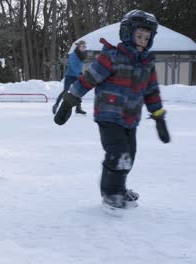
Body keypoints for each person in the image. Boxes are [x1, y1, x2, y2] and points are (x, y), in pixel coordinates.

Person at [54, 10, 170, 211]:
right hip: (108, 116)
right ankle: (110, 195)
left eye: (146, 37)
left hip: (131, 119)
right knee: (118, 153)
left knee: (129, 156)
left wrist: (159, 118)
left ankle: (119, 188)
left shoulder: (147, 64)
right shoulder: (111, 57)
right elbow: (88, 79)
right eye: (139, 36)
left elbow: (152, 93)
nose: (142, 41)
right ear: (127, 33)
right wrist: (69, 101)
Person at [52, 40, 87, 115]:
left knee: (79, 91)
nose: (84, 48)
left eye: (85, 46)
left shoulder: (82, 55)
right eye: (83, 46)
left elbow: (79, 67)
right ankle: (56, 105)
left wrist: (81, 73)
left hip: (77, 76)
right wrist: (79, 74)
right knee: (65, 91)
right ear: (78, 46)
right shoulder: (73, 55)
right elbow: (73, 66)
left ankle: (78, 108)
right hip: (70, 76)